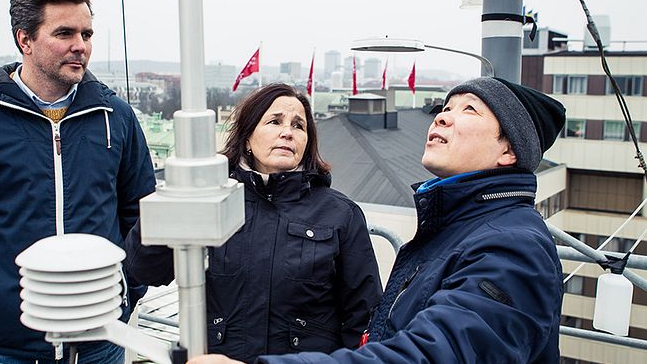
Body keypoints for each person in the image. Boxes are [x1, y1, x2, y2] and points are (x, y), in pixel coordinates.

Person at [188, 76, 567, 364]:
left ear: (508, 150)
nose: (443, 118)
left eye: (469, 110)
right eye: (445, 108)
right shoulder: (455, 229)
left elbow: (432, 352)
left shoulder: (513, 245)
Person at [0, 0, 156, 364]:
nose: (80, 46)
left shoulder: (116, 117)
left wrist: (127, 290)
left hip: (103, 343)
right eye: (65, 33)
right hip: (7, 347)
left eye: (87, 34)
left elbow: (142, 218)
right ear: (24, 39)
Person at [126, 83, 382, 363]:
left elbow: (364, 314)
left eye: (299, 126)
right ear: (247, 137)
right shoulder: (214, 200)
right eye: (274, 121)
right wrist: (176, 198)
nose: (287, 131)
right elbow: (144, 269)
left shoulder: (340, 214)